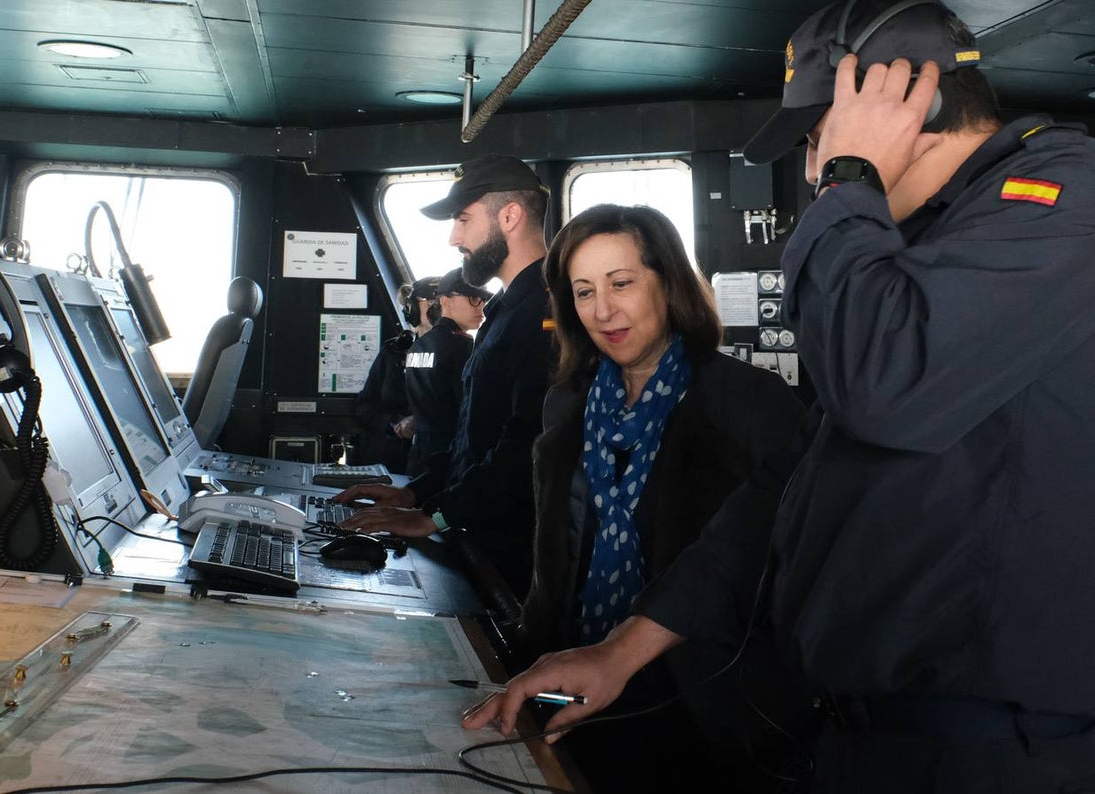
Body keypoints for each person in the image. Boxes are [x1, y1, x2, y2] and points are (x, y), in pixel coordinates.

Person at [463, 2, 1095, 792]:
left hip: (990, 749)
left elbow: (884, 385)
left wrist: (848, 180)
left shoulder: (1061, 197)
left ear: (911, 105)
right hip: (872, 736)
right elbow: (789, 488)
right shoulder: (923, 252)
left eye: (816, 139)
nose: (810, 169)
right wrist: (622, 649)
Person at [516, 203, 805, 792]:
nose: (603, 310)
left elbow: (775, 560)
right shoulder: (565, 405)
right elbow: (555, 564)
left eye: (622, 284)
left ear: (669, 284)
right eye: (584, 291)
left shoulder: (750, 403)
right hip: (572, 693)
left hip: (705, 712)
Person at [337, 154, 554, 602]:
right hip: (475, 532)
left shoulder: (544, 312)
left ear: (509, 216)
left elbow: (525, 445)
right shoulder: (505, 310)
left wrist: (434, 518)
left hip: (513, 553)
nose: (455, 237)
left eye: (463, 220)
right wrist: (413, 494)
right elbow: (473, 440)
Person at [403, 267, 491, 476]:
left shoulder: (418, 346)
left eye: (483, 300)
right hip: (449, 459)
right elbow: (469, 410)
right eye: (473, 298)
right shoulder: (461, 347)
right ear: (445, 301)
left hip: (418, 456)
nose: (481, 307)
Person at [351, 277, 437, 472]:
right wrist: (395, 423)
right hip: (389, 461)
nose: (438, 308)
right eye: (431, 303)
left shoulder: (459, 354)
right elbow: (364, 406)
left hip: (432, 461)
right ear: (412, 310)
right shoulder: (394, 352)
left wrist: (419, 422)